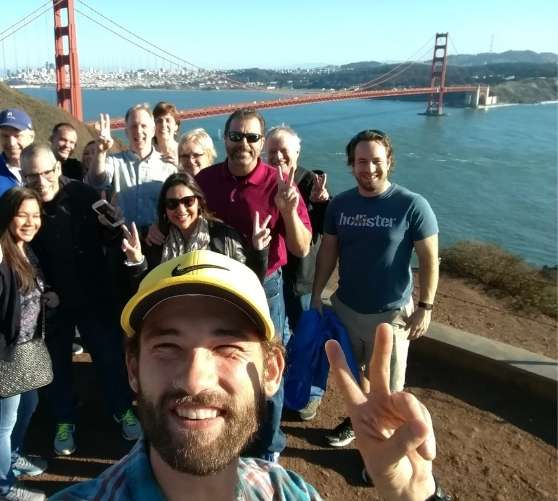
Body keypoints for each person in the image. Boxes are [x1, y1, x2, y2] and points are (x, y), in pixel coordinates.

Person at [51, 250, 445, 501]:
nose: (195, 380)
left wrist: (416, 497)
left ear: (272, 370)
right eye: (167, 347)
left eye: (228, 348)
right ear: (133, 370)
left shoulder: (288, 493)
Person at [311, 130, 439, 459]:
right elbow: (328, 252)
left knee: (390, 390)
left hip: (391, 316)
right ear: (351, 165)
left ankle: (386, 453)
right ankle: (360, 425)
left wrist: (425, 306)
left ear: (389, 163)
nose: (369, 169)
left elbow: (428, 258)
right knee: (356, 379)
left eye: (376, 161)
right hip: (347, 309)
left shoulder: (412, 205)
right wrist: (317, 295)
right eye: (362, 162)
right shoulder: (340, 204)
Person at [194, 108, 313, 462]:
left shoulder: (280, 183)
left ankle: (268, 447)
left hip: (265, 287)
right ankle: (228, 435)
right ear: (224, 138)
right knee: (221, 365)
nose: (242, 143)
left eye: (251, 137)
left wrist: (289, 211)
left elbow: (301, 247)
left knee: (267, 371)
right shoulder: (206, 179)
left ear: (261, 142)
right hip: (219, 286)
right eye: (235, 136)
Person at [20, 143, 140, 456]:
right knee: (56, 365)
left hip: (94, 294)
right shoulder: (23, 206)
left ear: (57, 169)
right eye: (32, 176)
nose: (41, 181)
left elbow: (111, 241)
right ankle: (64, 419)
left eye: (47, 172)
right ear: (23, 176)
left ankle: (122, 408)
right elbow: (17, 253)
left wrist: (113, 228)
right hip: (52, 302)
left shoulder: (84, 196)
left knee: (109, 357)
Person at [0, 187, 50, 501]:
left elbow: (26, 292)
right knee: (2, 423)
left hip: (23, 348)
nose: (31, 222)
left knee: (29, 405)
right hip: (0, 354)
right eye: (22, 215)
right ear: (7, 216)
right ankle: (4, 489)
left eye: (36, 215)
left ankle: (13, 456)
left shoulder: (24, 248)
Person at [265, 125, 330, 421]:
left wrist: (321, 203)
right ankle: (286, 386)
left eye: (284, 151)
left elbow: (323, 231)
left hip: (301, 278)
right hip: (272, 276)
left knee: (308, 336)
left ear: (297, 153)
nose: (278, 157)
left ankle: (312, 394)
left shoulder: (307, 181)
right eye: (273, 151)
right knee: (281, 337)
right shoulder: (261, 180)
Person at [121, 172, 268, 282]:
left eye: (188, 201)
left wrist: (259, 252)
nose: (181, 209)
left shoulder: (224, 238)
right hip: (174, 317)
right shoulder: (156, 240)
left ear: (199, 202)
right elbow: (146, 289)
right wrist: (137, 261)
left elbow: (249, 282)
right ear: (164, 208)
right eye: (172, 204)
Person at [87, 105, 177, 231]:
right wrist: (100, 152)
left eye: (143, 126)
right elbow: (96, 182)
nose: (138, 131)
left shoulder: (168, 166)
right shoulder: (114, 161)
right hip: (122, 241)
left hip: (157, 241)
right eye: (133, 126)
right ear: (126, 132)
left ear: (153, 131)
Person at [0, 108, 36, 215]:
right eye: (5, 136)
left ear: (31, 137)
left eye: (17, 136)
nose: (11, 143)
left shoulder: (46, 170)